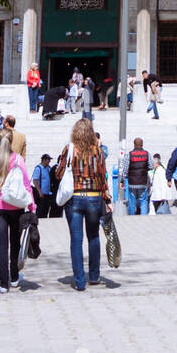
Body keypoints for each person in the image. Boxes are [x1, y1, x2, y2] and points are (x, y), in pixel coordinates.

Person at [56, 118, 111, 290]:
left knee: (76, 239)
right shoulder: (99, 151)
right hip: (94, 197)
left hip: (75, 198)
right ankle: (94, 276)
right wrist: (107, 199)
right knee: (93, 236)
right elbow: (103, 177)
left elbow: (59, 173)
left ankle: (79, 281)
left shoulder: (70, 149)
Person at [0, 129, 36, 293]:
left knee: (2, 245)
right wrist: (31, 205)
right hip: (15, 205)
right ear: (11, 141)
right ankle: (15, 277)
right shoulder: (17, 158)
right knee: (15, 243)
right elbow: (26, 183)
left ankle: (3, 283)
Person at [124, 137, 151, 215]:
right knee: (143, 202)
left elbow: (125, 169)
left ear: (134, 145)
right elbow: (152, 166)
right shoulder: (147, 154)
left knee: (132, 202)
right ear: (142, 145)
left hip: (132, 183)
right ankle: (144, 219)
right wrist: (144, 169)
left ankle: (132, 218)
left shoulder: (130, 154)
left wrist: (122, 180)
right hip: (143, 183)